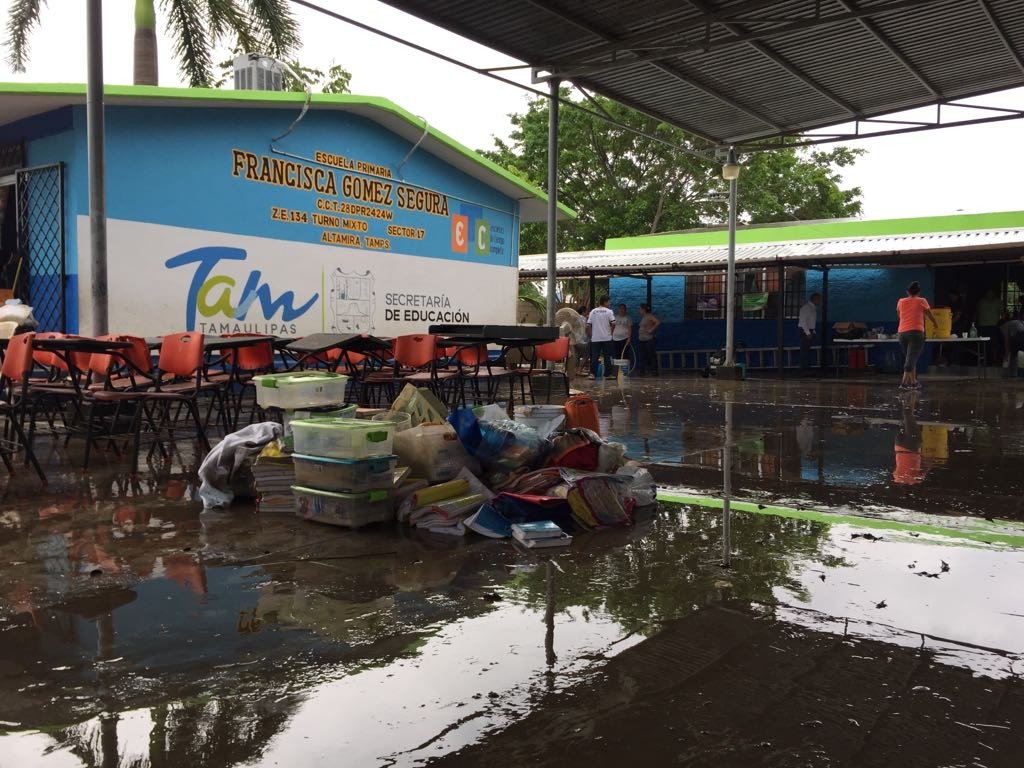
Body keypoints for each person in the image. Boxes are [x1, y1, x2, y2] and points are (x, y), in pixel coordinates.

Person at [897, 281, 937, 390]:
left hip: (902, 333)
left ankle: (914, 382)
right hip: (916, 333)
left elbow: (899, 314)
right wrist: (935, 323)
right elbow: (929, 315)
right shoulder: (922, 301)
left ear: (907, 292)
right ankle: (904, 384)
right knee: (911, 359)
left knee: (910, 357)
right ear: (919, 292)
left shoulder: (901, 301)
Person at [586, 295, 616, 380]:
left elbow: (588, 325)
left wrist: (591, 335)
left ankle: (592, 374)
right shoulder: (609, 312)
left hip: (595, 338)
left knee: (595, 356)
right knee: (607, 356)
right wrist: (611, 333)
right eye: (609, 301)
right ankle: (608, 374)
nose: (610, 303)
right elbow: (613, 323)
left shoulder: (593, 312)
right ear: (605, 302)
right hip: (607, 338)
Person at [976, 288, 1002, 365]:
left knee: (990, 343)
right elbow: (977, 312)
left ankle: (990, 359)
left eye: (991, 292)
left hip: (991, 325)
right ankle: (986, 359)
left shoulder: (997, 301)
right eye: (988, 292)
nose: (989, 294)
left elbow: (1002, 313)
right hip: (985, 325)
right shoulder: (981, 301)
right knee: (986, 343)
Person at [797, 293, 821, 376]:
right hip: (805, 331)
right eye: (819, 299)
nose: (820, 301)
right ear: (815, 299)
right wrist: (808, 333)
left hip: (809, 330)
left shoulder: (813, 307)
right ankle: (803, 370)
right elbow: (803, 321)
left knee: (806, 350)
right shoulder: (806, 308)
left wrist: (813, 331)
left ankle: (807, 369)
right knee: (804, 351)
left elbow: (811, 321)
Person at [637, 303, 661, 376]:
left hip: (649, 340)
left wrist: (651, 329)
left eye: (640, 309)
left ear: (643, 309)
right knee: (643, 355)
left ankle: (654, 370)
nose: (639, 310)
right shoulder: (643, 317)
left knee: (651, 355)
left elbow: (658, 322)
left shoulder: (649, 316)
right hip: (642, 340)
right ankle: (642, 371)